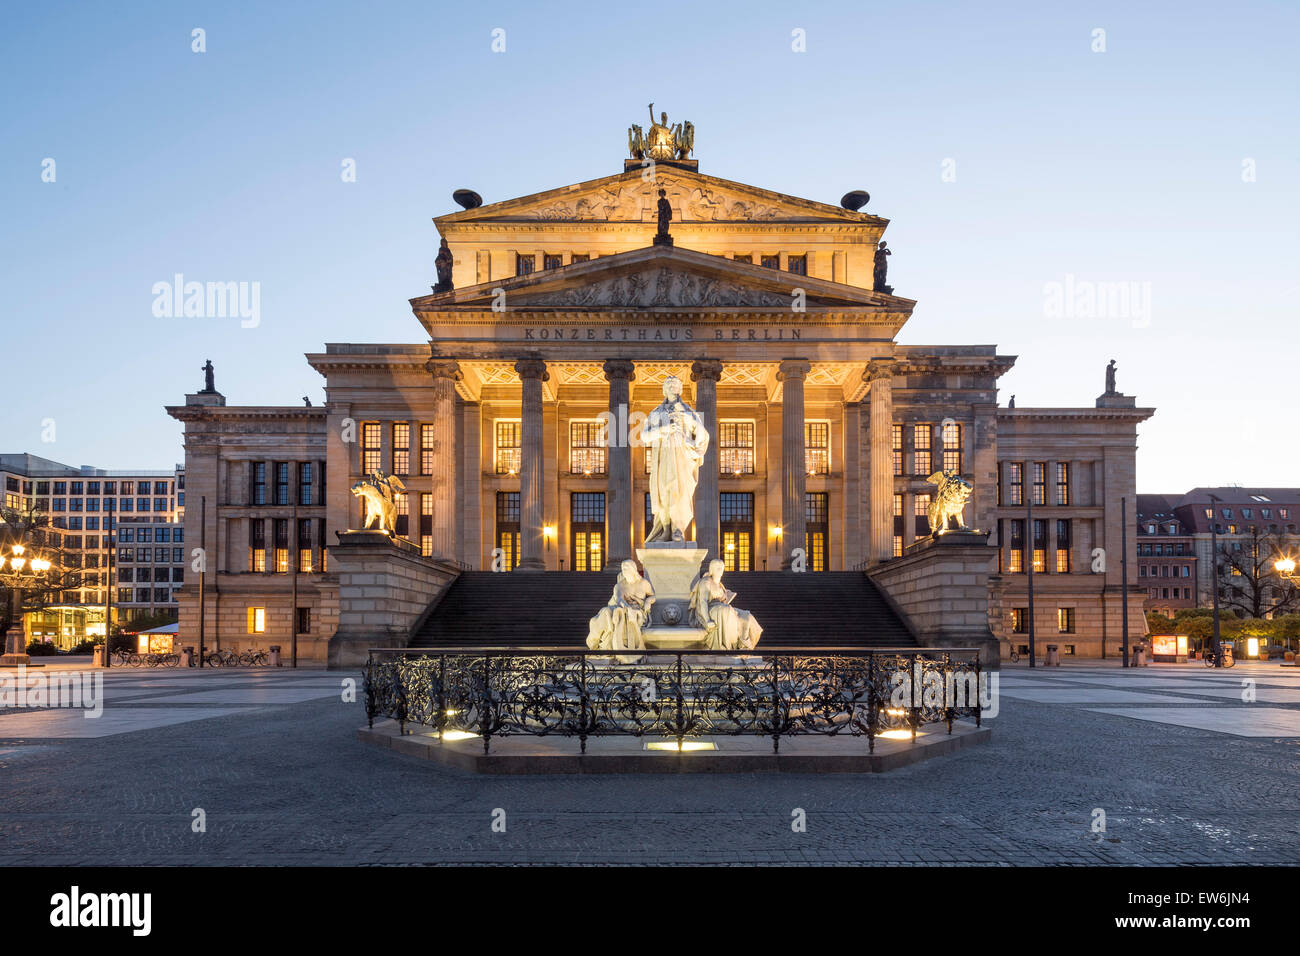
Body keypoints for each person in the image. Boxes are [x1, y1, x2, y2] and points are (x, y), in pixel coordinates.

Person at [640, 376, 708, 542]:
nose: (672, 387)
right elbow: (644, 436)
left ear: (680, 389)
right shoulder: (656, 413)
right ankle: (665, 530)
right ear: (664, 390)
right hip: (663, 457)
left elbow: (703, 434)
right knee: (664, 492)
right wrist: (664, 429)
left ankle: (678, 530)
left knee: (679, 492)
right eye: (669, 385)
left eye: (675, 385)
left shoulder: (688, 412)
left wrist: (687, 423)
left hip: (682, 457)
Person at [689, 559, 762, 652]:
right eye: (718, 568)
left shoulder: (720, 584)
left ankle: (743, 645)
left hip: (722, 607)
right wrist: (707, 620)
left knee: (746, 615)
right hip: (710, 609)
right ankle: (726, 646)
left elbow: (723, 600)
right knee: (725, 611)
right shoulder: (706, 581)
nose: (720, 571)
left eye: (722, 568)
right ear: (712, 569)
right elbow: (702, 602)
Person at [586, 560, 655, 652]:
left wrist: (648, 602)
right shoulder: (620, 585)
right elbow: (619, 599)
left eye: (626, 568)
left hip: (638, 612)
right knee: (606, 612)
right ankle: (593, 641)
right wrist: (627, 607)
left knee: (608, 613)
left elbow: (652, 595)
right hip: (622, 608)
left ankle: (596, 641)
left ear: (633, 568)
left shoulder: (644, 583)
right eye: (623, 568)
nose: (624, 570)